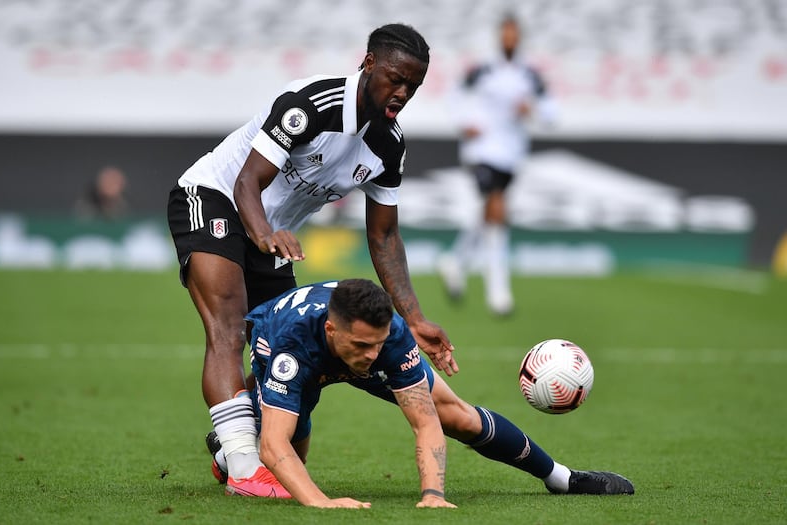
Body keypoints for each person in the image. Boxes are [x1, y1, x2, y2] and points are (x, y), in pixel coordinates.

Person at [166, 23, 457, 498]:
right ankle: (242, 470)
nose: (402, 93)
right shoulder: (310, 104)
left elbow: (384, 236)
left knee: (278, 350)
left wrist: (416, 317)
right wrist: (263, 234)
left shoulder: (389, 145)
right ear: (367, 64)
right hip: (214, 196)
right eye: (395, 79)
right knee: (229, 328)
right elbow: (246, 183)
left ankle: (231, 447)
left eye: (414, 86)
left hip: (271, 234)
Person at [206, 279, 634, 507]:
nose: (374, 356)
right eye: (362, 346)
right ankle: (229, 450)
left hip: (348, 342)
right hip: (296, 351)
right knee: (289, 449)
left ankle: (561, 478)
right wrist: (322, 502)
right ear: (334, 331)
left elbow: (426, 422)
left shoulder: (384, 337)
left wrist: (433, 496)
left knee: (456, 415)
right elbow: (274, 444)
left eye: (379, 344)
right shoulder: (291, 345)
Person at [438, 14, 557, 316]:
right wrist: (465, 123)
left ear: (519, 37)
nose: (509, 39)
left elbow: (551, 113)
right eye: (505, 33)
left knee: (487, 214)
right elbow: (453, 96)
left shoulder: (530, 74)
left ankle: (455, 262)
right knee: (496, 210)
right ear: (498, 36)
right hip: (481, 150)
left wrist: (533, 109)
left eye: (514, 34)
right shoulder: (482, 69)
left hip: (511, 153)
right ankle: (498, 292)